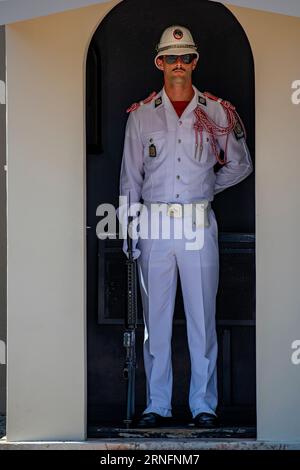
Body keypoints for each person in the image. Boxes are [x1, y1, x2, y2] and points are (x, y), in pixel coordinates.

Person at [119, 25, 253, 428]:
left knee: (201, 318)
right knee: (155, 323)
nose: (179, 65)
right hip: (154, 223)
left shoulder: (216, 112)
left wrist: (207, 185)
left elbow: (240, 164)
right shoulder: (142, 115)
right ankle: (156, 405)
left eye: (187, 57)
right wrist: (129, 231)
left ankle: (203, 405)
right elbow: (130, 178)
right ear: (159, 63)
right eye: (171, 58)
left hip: (197, 222)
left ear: (196, 61)